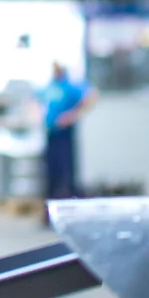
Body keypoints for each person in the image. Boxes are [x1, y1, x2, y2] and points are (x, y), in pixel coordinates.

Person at [38, 63, 95, 203]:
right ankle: (51, 202)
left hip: (65, 134)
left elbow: (91, 96)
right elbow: (34, 99)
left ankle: (68, 199)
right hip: (51, 132)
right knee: (51, 171)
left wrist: (73, 115)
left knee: (66, 170)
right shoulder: (49, 86)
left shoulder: (70, 86)